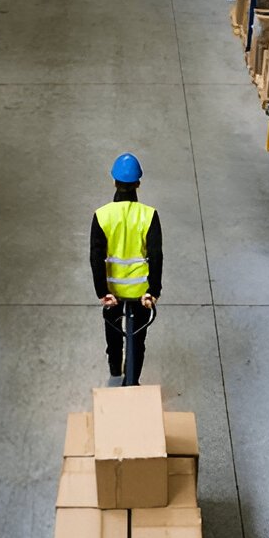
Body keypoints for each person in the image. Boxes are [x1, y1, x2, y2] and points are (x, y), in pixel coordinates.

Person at [89, 152, 162, 386]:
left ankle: (114, 366)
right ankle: (131, 381)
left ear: (114, 181)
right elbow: (156, 255)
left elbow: (96, 257)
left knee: (113, 332)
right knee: (137, 340)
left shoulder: (102, 215)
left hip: (113, 291)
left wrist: (102, 292)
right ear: (138, 184)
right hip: (140, 293)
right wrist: (153, 291)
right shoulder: (149, 216)